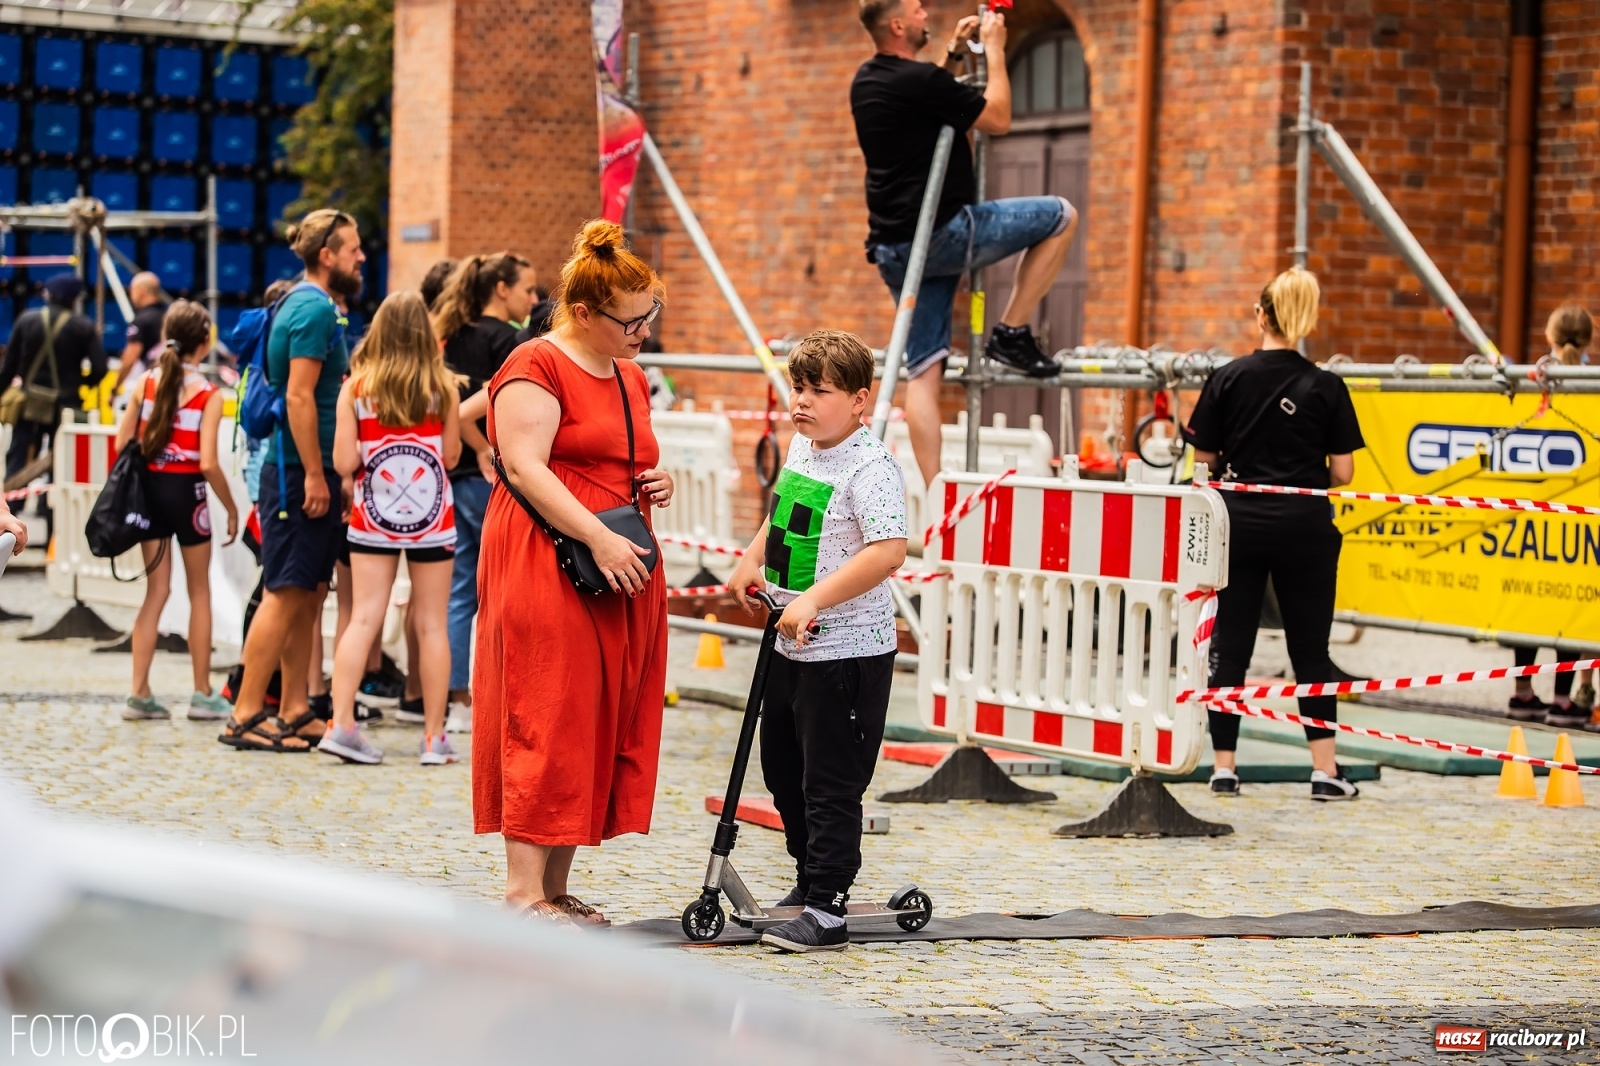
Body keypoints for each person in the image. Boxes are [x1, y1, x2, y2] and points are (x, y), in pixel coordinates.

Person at [475, 220, 673, 925]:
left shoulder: (628, 373)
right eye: (631, 321)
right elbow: (525, 467)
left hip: (615, 558)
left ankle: (553, 890)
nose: (643, 332)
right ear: (584, 313)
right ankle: (522, 892)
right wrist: (597, 535)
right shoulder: (535, 363)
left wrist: (655, 483)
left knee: (592, 715)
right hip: (551, 553)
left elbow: (620, 456)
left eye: (649, 316)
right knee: (546, 708)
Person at [726, 329, 908, 953]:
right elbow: (783, 514)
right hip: (790, 644)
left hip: (846, 651)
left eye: (819, 391)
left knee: (831, 782)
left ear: (859, 400)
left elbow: (888, 552)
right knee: (783, 773)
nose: (801, 401)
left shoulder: (870, 466)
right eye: (798, 387)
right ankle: (809, 879)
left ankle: (828, 906)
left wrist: (813, 599)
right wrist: (752, 558)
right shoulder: (805, 449)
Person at [851, 0, 1079, 488]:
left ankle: (936, 493)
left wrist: (953, 56)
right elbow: (998, 117)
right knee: (1062, 215)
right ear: (898, 25)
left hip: (895, 249)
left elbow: (926, 92)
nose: (926, 14)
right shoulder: (920, 82)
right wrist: (995, 50)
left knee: (924, 371)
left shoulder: (868, 81)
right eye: (917, 10)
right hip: (944, 234)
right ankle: (1011, 331)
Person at [1184, 267, 1364, 800]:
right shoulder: (1326, 385)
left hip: (1237, 524)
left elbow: (1202, 462)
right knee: (1310, 650)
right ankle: (1325, 772)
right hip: (1303, 525)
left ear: (1260, 316)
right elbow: (1344, 472)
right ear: (1305, 320)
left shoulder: (1227, 377)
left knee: (1231, 646)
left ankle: (1224, 767)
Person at [220, 210, 363, 753]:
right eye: (352, 249)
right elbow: (299, 396)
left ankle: (295, 709)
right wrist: (316, 475)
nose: (361, 257)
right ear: (326, 256)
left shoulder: (314, 306)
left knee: (307, 593)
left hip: (307, 472)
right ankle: (245, 713)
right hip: (297, 475)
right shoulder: (312, 308)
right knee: (283, 593)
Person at [319, 291, 461, 766]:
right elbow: (451, 457)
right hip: (431, 519)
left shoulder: (356, 389)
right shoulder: (443, 389)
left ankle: (341, 725)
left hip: (372, 516)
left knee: (363, 618)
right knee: (432, 622)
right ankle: (434, 737)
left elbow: (343, 461)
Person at [114, 301, 239, 721]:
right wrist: (231, 507)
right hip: (188, 494)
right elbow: (208, 462)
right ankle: (202, 692)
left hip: (150, 492)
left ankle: (138, 692)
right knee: (199, 590)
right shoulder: (208, 394)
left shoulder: (145, 383)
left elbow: (121, 443)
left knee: (156, 592)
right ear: (204, 344)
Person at [433, 252, 537, 732]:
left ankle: (454, 697)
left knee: (459, 592)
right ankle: (495, 697)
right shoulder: (509, 342)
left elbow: (450, 407)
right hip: (489, 477)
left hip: (451, 473)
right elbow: (492, 404)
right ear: (501, 289)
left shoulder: (452, 333)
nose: (532, 300)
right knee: (501, 593)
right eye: (527, 290)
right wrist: (484, 449)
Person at [1507, 303, 1596, 730]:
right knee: (1569, 603)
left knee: (1530, 600)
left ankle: (1522, 692)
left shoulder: (1534, 380)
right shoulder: (1591, 383)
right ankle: (1563, 699)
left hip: (1533, 507)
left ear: (1548, 336)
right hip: (1578, 514)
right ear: (1590, 340)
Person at [2, 274, 109, 537]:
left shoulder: (27, 320)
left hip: (29, 403)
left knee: (18, 458)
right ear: (74, 300)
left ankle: (8, 526)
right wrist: (80, 382)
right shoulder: (83, 327)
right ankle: (52, 527)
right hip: (66, 405)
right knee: (60, 465)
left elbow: (9, 367)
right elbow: (100, 368)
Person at [113, 272, 168, 392]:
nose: (130, 295)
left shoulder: (141, 321)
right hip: (169, 383)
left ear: (141, 291)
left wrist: (115, 388)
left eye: (132, 290)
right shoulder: (169, 317)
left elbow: (130, 359)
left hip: (149, 385)